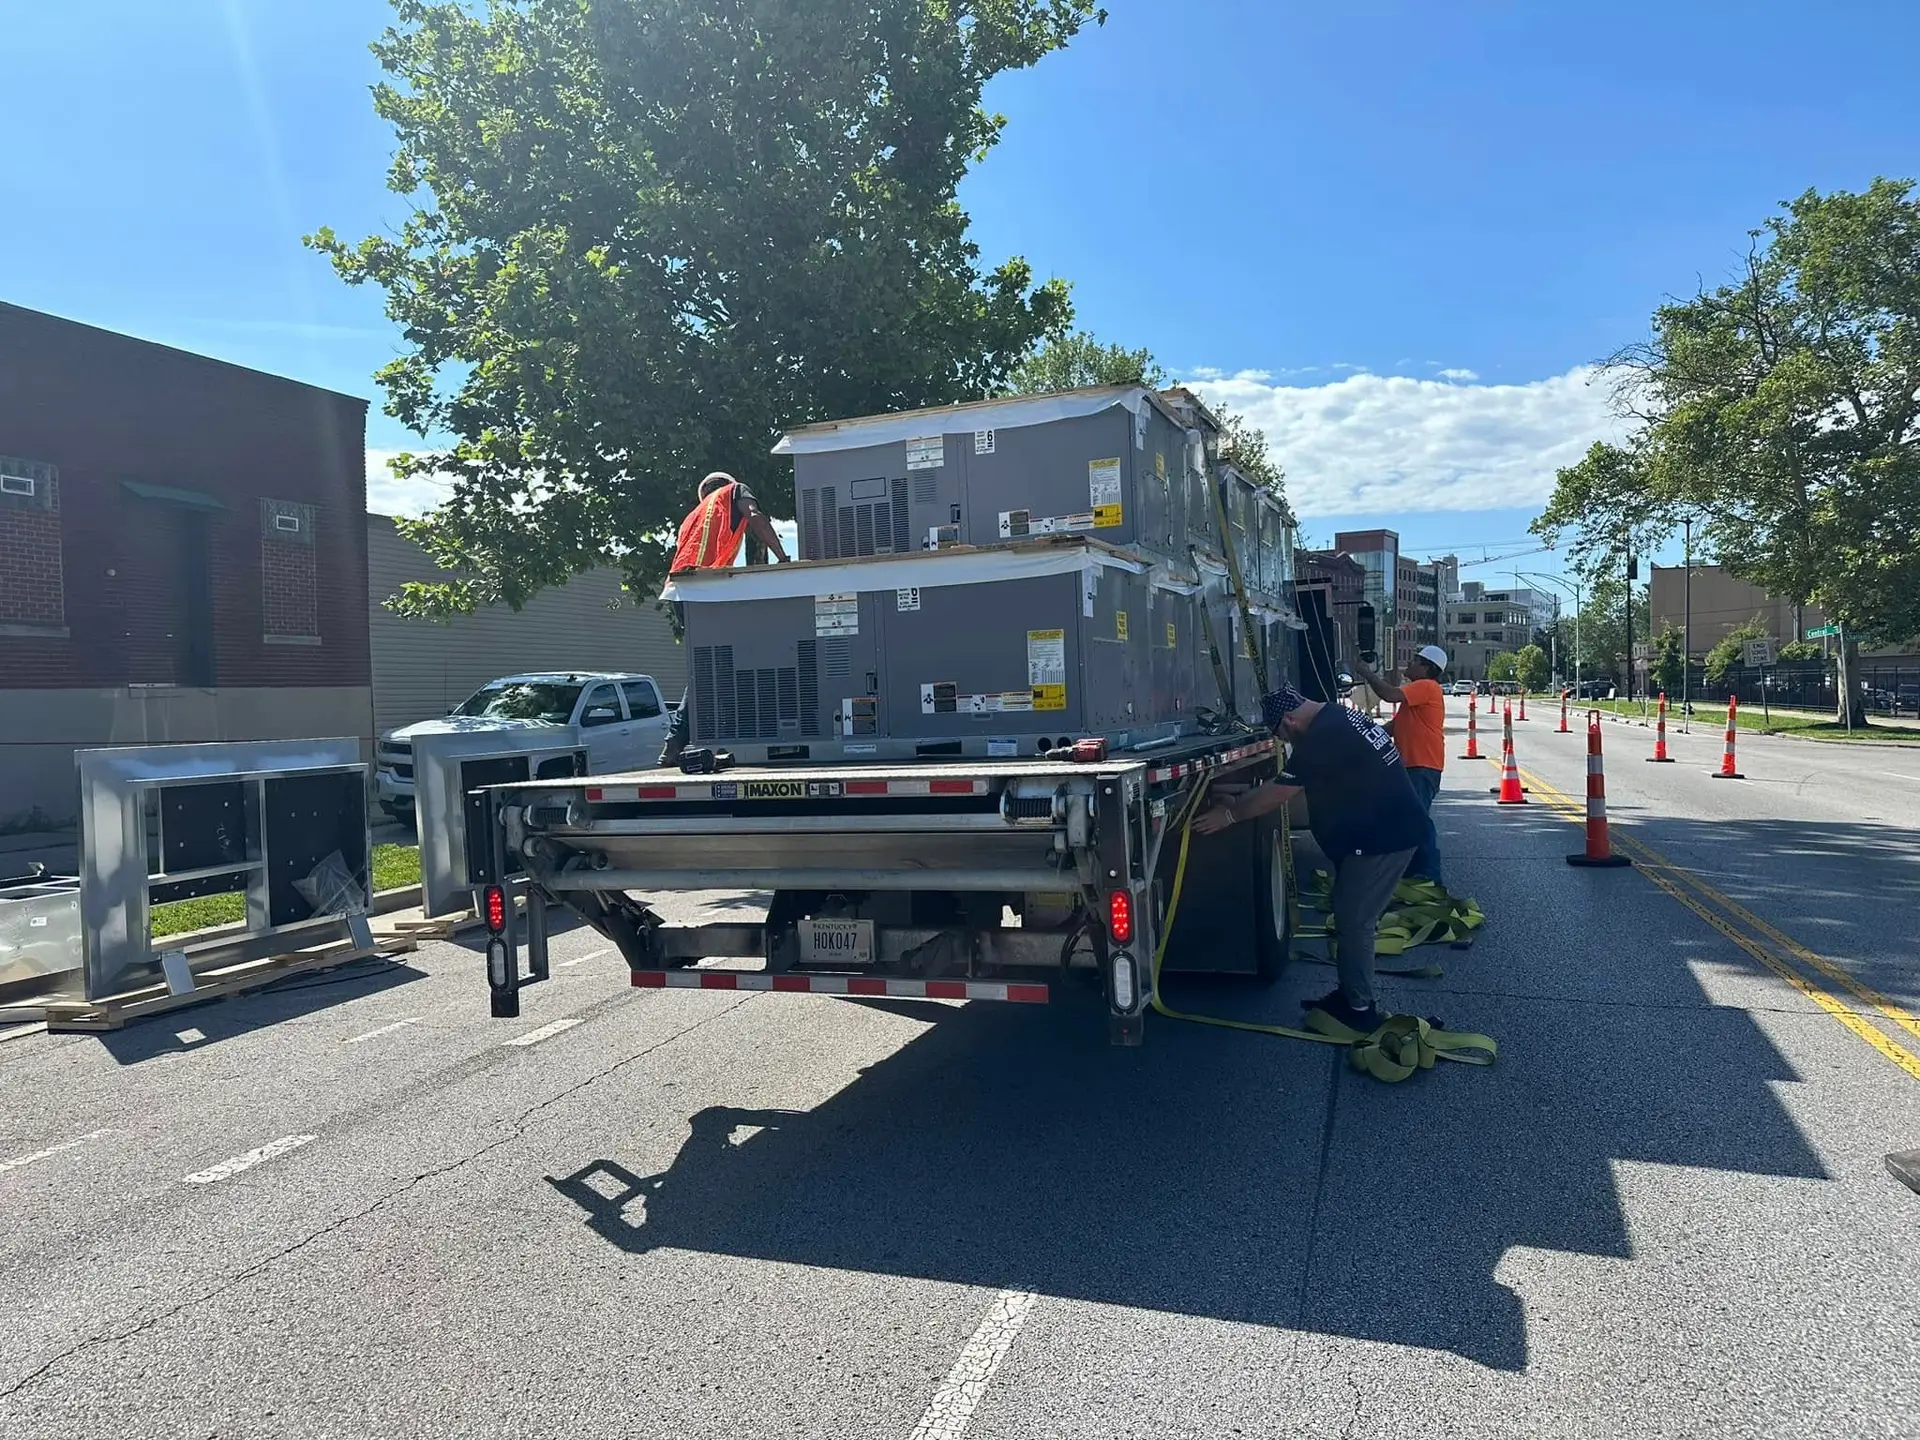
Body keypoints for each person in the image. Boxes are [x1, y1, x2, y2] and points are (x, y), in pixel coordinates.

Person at [1192, 684, 1425, 1032]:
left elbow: (1280, 792)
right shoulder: (1336, 717)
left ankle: (1360, 1009)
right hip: (1383, 831)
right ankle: (1349, 994)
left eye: (1282, 735)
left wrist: (1230, 814)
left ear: (1289, 720)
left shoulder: (1321, 736)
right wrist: (1245, 795)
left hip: (1383, 839)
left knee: (1354, 920)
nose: (1286, 741)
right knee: (1349, 914)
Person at [658, 471, 791, 766]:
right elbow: (755, 516)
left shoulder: (693, 516)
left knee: (713, 665)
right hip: (702, 590)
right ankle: (677, 742)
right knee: (718, 664)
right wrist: (783, 558)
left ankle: (695, 741)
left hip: (680, 591)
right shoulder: (734, 491)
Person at [1351, 644, 1449, 889]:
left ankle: (1429, 875)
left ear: (1426, 667)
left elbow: (1390, 695)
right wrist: (1366, 734)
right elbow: (1396, 727)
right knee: (1408, 819)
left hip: (1422, 765)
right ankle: (1414, 873)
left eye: (1415, 660)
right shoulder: (1416, 695)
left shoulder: (1427, 686)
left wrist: (1367, 673)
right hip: (1413, 766)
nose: (1409, 663)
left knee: (1417, 819)